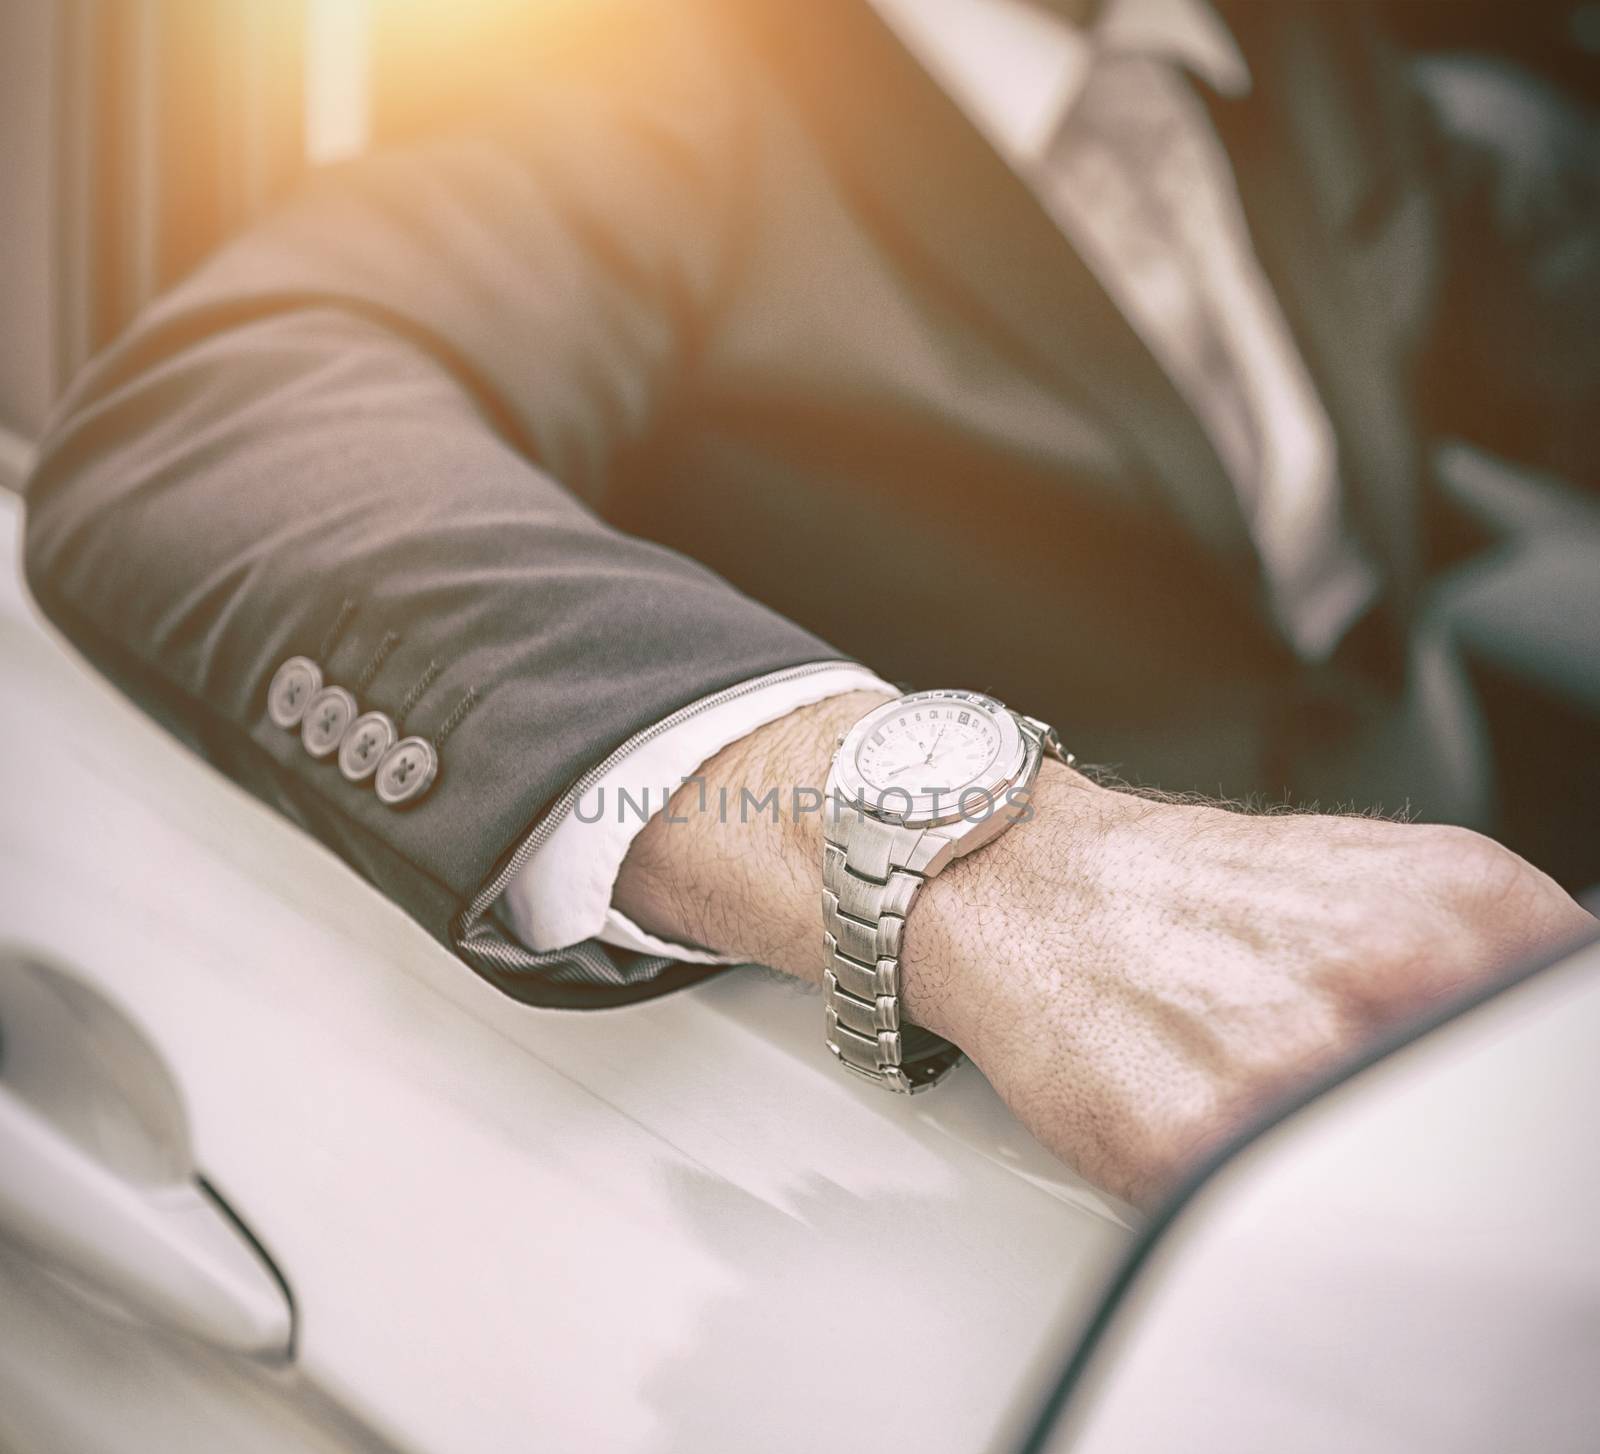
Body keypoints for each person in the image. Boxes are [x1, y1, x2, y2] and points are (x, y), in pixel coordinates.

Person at [24, 0, 1597, 1204]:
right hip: (1052, 1133)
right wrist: (986, 863)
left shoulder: (1300, 54)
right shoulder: (636, 84)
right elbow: (221, 422)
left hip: (1468, 943)